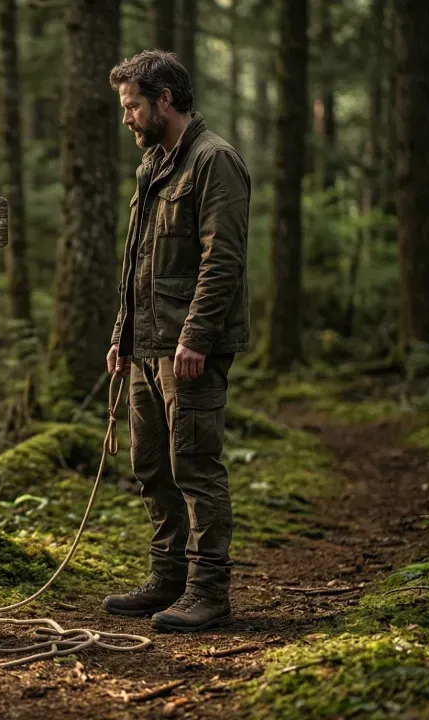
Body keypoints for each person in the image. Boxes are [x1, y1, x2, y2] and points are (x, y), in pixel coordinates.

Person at [101, 50, 251, 633]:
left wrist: (196, 337)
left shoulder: (216, 162)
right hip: (146, 346)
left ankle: (208, 592)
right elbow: (138, 259)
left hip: (191, 349)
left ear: (165, 99)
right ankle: (167, 579)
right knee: (150, 465)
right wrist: (123, 335)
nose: (127, 118)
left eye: (133, 105)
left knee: (195, 466)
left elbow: (223, 261)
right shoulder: (154, 166)